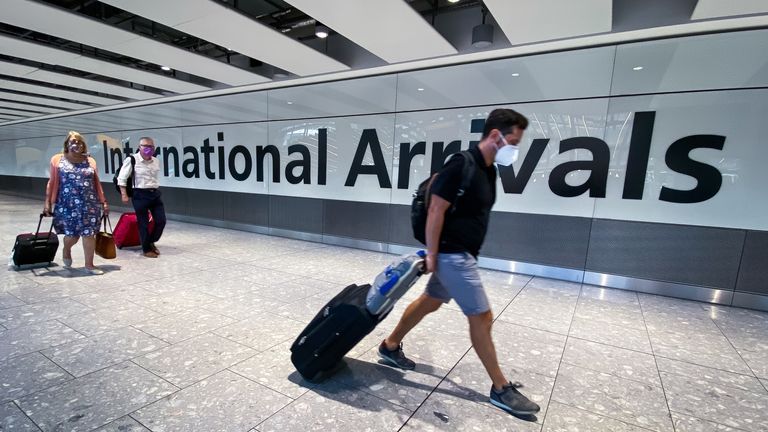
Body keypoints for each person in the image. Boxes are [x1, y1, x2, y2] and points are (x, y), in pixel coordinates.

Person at [378, 109, 540, 416]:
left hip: (461, 253)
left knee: (430, 301)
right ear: (496, 135)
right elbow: (436, 209)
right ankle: (500, 388)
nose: (515, 148)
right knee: (482, 317)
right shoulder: (460, 163)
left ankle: (389, 346)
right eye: (514, 141)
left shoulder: (489, 169)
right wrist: (434, 254)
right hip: (452, 255)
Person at [43, 131, 109, 275]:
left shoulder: (90, 161)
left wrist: (103, 202)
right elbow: (52, 182)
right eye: (73, 141)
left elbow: (96, 183)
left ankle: (89, 265)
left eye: (80, 142)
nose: (77, 144)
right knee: (72, 236)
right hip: (67, 204)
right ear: (66, 144)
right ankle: (67, 249)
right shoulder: (57, 160)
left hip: (89, 204)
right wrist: (47, 202)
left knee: (89, 234)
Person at [116, 137, 166, 258]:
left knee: (161, 221)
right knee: (143, 223)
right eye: (146, 146)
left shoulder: (155, 161)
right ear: (140, 147)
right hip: (139, 194)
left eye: (151, 146)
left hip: (154, 193)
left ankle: (150, 241)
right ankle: (146, 249)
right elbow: (121, 178)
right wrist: (124, 194)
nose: (149, 149)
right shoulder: (132, 160)